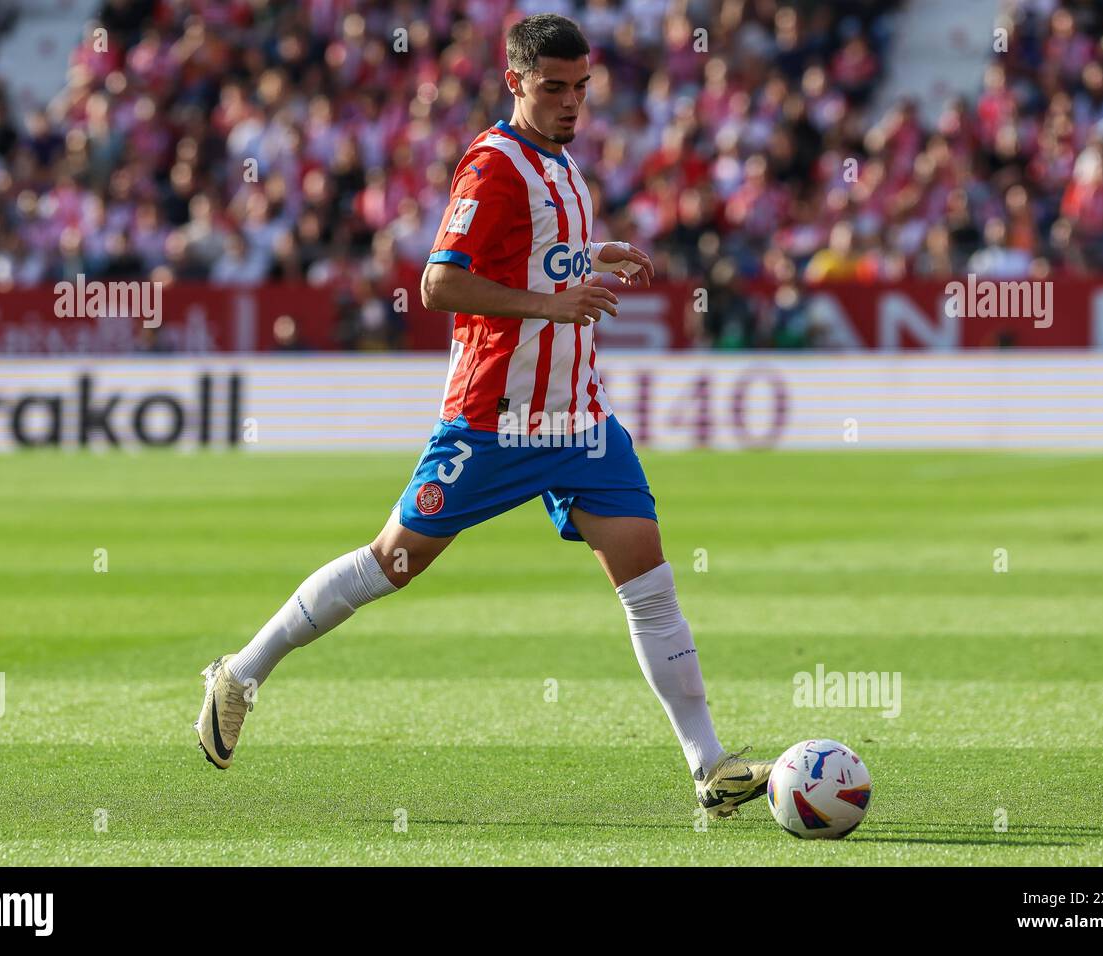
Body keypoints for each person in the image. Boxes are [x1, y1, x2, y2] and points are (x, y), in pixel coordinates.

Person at [194, 13, 774, 819]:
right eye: (554, 89)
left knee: (649, 579)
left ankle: (709, 766)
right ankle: (241, 672)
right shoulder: (492, 165)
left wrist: (590, 257)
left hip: (577, 419)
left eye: (581, 88)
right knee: (391, 563)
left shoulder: (566, 169)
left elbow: (535, 256)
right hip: (493, 419)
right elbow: (439, 283)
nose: (572, 103)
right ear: (515, 83)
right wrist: (553, 299)